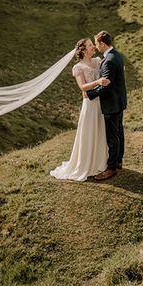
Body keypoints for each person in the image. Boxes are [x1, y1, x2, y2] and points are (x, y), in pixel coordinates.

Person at [50, 38, 110, 181]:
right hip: (89, 104)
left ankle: (101, 162)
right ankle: (85, 164)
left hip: (100, 102)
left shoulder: (97, 61)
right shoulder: (78, 67)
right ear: (83, 50)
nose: (93, 47)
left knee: (101, 131)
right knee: (89, 132)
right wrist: (97, 82)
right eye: (90, 45)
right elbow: (82, 87)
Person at [87, 31, 127, 180]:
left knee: (112, 136)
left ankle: (111, 168)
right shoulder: (116, 54)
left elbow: (105, 85)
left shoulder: (109, 60)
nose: (96, 47)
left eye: (96, 44)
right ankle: (118, 161)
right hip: (119, 101)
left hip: (112, 103)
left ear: (103, 44)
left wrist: (90, 95)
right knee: (118, 132)